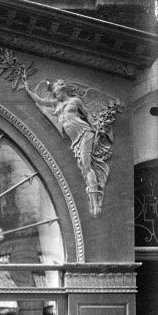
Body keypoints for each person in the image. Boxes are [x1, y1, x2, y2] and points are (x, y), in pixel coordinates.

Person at [24, 78, 110, 218]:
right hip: (75, 140)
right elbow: (40, 101)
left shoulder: (75, 101)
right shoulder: (56, 103)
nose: (54, 94)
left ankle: (95, 203)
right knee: (84, 168)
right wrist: (28, 90)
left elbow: (87, 114)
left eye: (56, 91)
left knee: (86, 167)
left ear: (62, 90)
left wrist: (96, 128)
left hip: (85, 133)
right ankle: (94, 197)